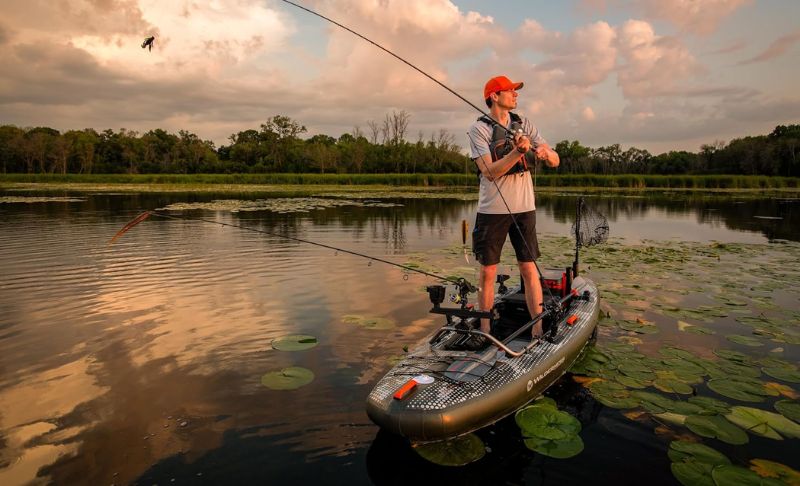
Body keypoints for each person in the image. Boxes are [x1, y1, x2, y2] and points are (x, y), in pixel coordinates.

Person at [467, 75, 560, 341]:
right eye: (510, 91)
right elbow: (488, 171)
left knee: (529, 268)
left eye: (516, 91)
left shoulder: (525, 124)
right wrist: (518, 152)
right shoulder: (479, 130)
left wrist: (544, 153)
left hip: (524, 208)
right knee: (487, 271)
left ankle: (538, 327)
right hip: (491, 211)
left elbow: (555, 159)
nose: (516, 95)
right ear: (495, 96)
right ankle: (485, 330)